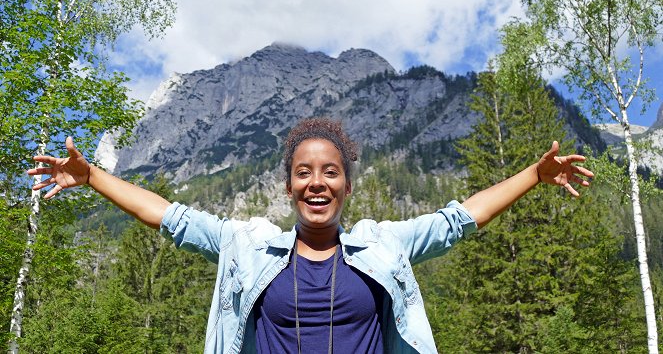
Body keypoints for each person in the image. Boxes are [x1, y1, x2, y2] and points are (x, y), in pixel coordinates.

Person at [28, 118, 593, 353]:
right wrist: (93, 175)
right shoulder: (246, 247)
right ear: (288, 185)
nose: (316, 182)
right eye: (304, 172)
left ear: (347, 184)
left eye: (330, 171)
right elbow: (168, 217)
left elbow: (461, 218)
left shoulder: (384, 245)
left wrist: (535, 175)